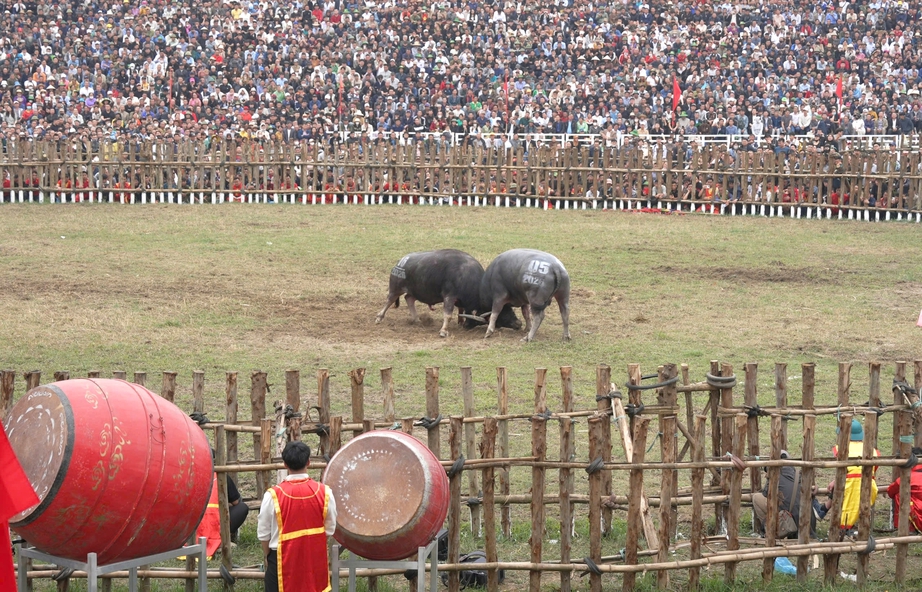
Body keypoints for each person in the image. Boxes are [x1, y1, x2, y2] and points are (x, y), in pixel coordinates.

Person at [258, 441, 337, 592]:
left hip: (280, 558)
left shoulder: (273, 495)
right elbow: (330, 528)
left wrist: (270, 557)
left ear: (285, 464)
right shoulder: (325, 492)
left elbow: (263, 533)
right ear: (308, 462)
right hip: (314, 557)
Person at [751, 450, 826, 539]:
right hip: (806, 524)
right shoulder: (799, 474)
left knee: (756, 498)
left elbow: (766, 494)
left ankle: (771, 530)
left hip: (788, 519)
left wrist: (769, 478)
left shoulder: (775, 474)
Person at [196, 449, 250, 558]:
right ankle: (221, 541)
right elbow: (236, 502)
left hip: (194, 529)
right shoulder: (222, 477)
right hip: (218, 525)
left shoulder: (191, 476)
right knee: (242, 508)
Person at [831, 419, 880, 534]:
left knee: (847, 506)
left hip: (848, 482)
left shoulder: (839, 449)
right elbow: (875, 468)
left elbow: (841, 469)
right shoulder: (873, 450)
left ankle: (844, 528)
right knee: (862, 506)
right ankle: (858, 527)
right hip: (869, 483)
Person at [886, 447, 922, 533]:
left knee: (899, 495)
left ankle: (907, 529)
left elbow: (890, 492)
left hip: (917, 514)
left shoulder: (905, 478)